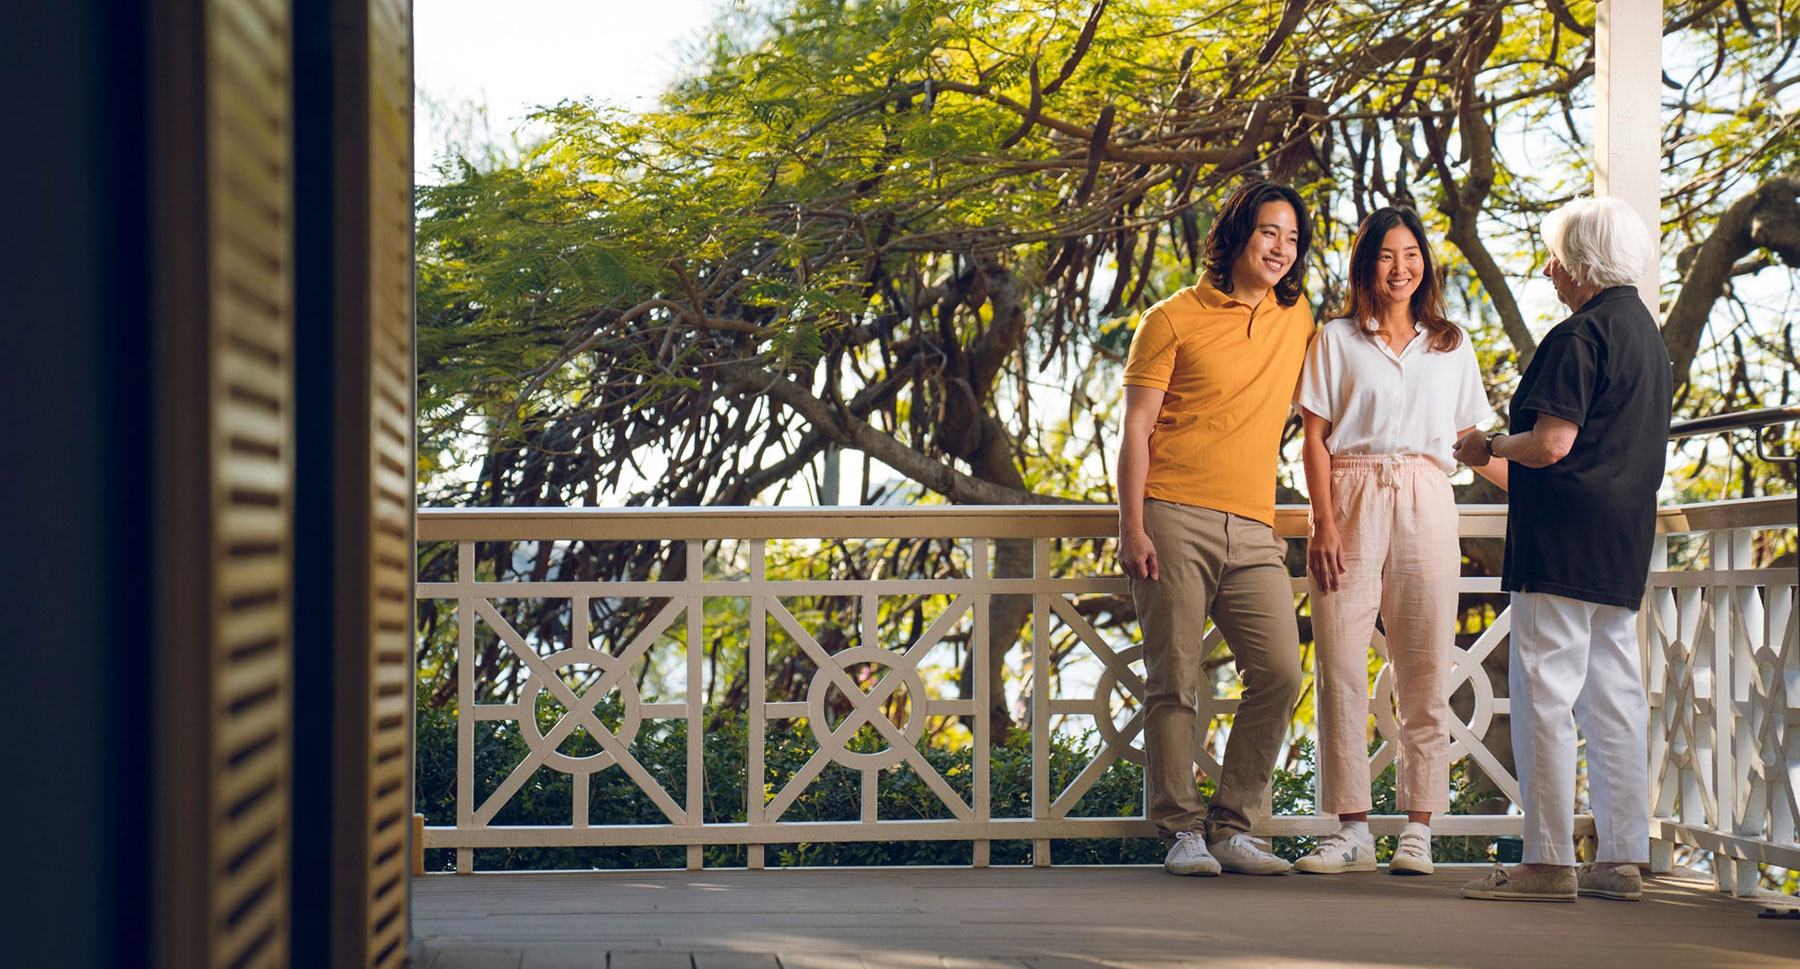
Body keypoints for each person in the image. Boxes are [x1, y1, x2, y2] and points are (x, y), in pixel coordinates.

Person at [1454, 196, 1670, 902]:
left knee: (1544, 696)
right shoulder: (1647, 337)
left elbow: (1550, 444)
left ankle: (1547, 861)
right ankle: (1620, 854)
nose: (1549, 269)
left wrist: (1486, 444)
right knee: (1614, 696)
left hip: (1559, 542)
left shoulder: (1578, 336)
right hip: (1620, 543)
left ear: (1581, 264)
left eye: (1556, 256)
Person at [1289, 207, 1497, 877]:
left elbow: (1469, 441)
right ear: (1366, 263)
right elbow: (1314, 438)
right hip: (1349, 494)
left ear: (1425, 264)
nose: (1401, 267)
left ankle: (1418, 827)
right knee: (1342, 664)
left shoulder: (1451, 343)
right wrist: (1322, 520)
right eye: (1386, 254)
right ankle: (1350, 827)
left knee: (1425, 664)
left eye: (1412, 254)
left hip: (1427, 493)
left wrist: (1534, 481)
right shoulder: (1336, 338)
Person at [1118, 180, 1313, 876]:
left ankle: (1233, 825)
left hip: (1255, 527)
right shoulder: (1170, 319)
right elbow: (1136, 427)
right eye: (1269, 233)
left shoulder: (1298, 319)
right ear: (1236, 234)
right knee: (1175, 676)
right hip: (1173, 516)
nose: (1281, 250)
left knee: (1282, 672)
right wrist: (1131, 525)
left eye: (1292, 239)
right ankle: (1181, 831)